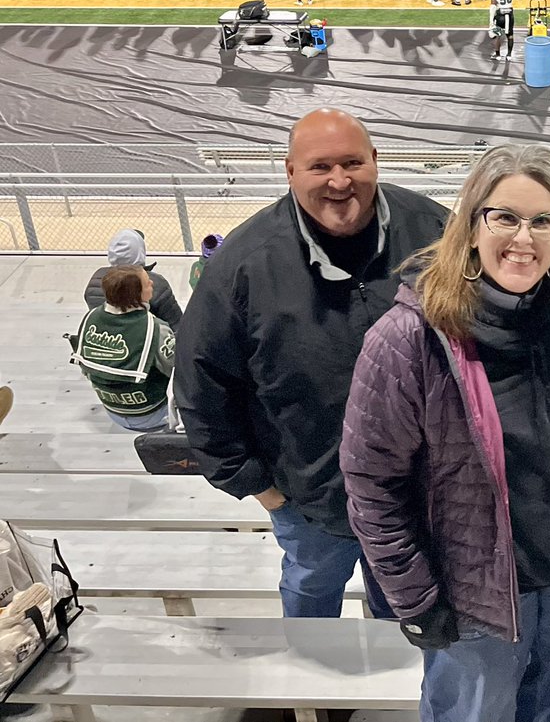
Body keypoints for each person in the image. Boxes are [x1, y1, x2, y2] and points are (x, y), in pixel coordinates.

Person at [341, 144, 550, 721]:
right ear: (471, 226)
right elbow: (371, 482)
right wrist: (414, 597)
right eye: (506, 217)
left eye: (544, 221)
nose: (524, 237)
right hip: (473, 588)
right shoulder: (408, 339)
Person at [175, 109, 448, 619]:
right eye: (321, 167)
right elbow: (200, 386)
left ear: (376, 161)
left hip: (417, 495)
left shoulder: (435, 232)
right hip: (310, 501)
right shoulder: (244, 264)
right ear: (290, 172)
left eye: (353, 163)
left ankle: (395, 687)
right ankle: (307, 691)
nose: (340, 182)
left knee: (402, 608)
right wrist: (259, 487)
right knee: (309, 592)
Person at [73, 266, 176, 432]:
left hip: (113, 411)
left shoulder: (90, 318)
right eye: (146, 283)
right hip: (153, 412)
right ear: (136, 295)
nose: (152, 283)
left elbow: (86, 369)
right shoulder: (155, 328)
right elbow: (177, 370)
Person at [85, 228, 184, 330]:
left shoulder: (96, 279)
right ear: (140, 252)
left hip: (106, 339)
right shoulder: (155, 283)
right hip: (146, 341)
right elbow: (179, 327)